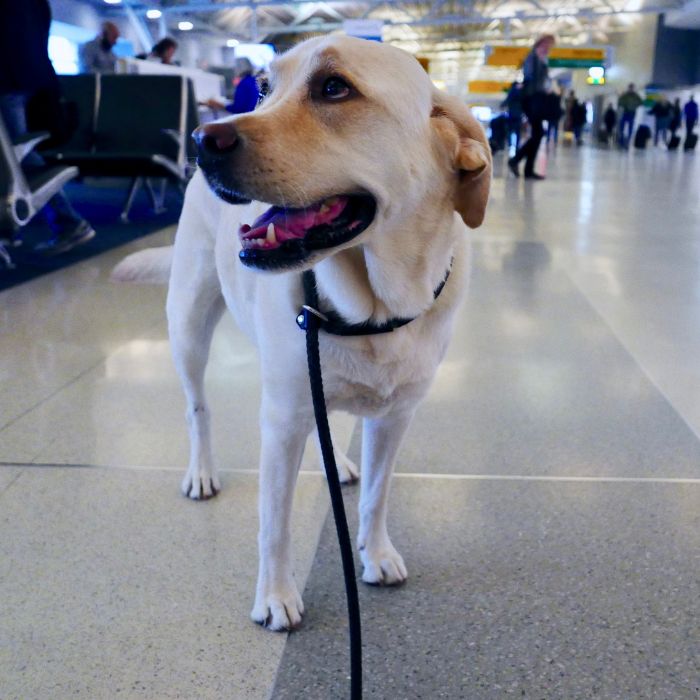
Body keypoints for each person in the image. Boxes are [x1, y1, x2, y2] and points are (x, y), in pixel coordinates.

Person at [0, 0, 95, 254]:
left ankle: (70, 221)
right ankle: (17, 229)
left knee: (15, 156)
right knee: (16, 155)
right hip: (24, 79)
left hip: (9, 81)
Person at [508, 34, 555, 180]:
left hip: (538, 100)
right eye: (547, 43)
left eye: (550, 45)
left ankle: (527, 169)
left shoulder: (543, 59)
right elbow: (530, 76)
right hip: (531, 100)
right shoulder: (532, 57)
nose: (549, 47)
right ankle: (516, 161)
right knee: (538, 133)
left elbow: (544, 80)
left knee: (538, 133)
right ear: (540, 43)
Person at [617, 83, 643, 148]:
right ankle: (621, 141)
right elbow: (620, 102)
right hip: (626, 112)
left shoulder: (636, 96)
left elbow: (640, 102)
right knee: (622, 127)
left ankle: (628, 141)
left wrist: (634, 106)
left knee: (630, 129)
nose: (631, 89)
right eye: (630, 88)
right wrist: (624, 105)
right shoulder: (625, 95)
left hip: (632, 113)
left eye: (632, 88)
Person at [500, 81, 523, 150]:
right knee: (518, 130)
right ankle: (517, 144)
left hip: (512, 114)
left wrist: (502, 105)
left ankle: (510, 144)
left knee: (510, 129)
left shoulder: (512, 91)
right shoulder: (521, 92)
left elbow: (508, 99)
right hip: (519, 114)